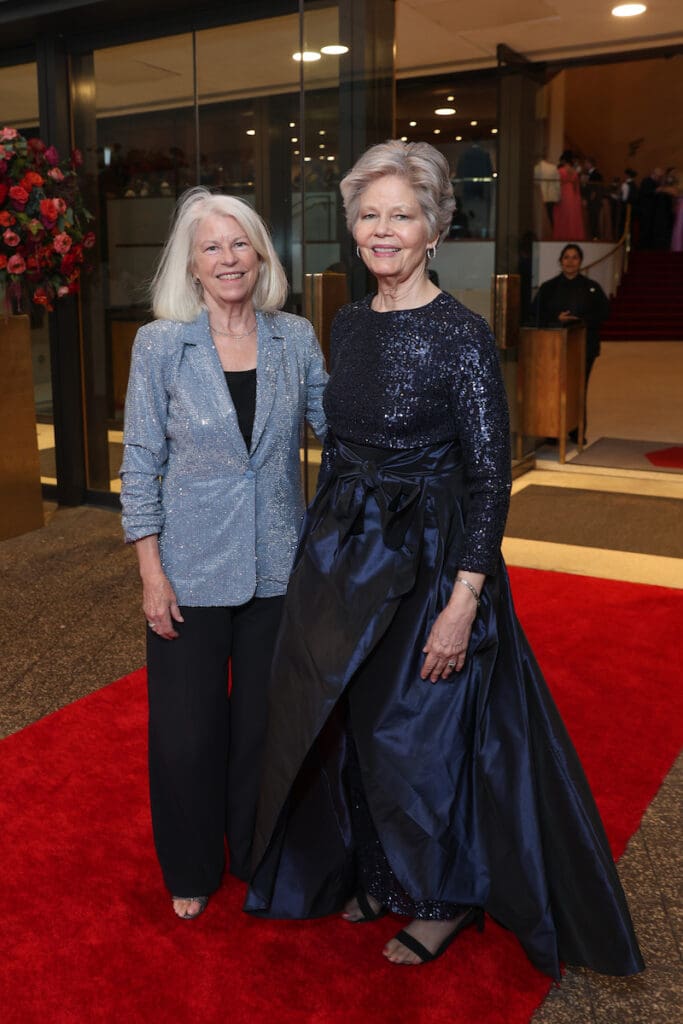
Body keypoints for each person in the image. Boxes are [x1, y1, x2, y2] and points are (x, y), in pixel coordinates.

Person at [245, 141, 643, 981]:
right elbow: (339, 433)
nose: (381, 230)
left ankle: (443, 897)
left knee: (413, 732)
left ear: (433, 230)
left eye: (401, 215)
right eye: (368, 214)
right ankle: (377, 871)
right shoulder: (347, 323)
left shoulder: (460, 335)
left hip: (428, 558)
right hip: (344, 549)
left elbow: (491, 476)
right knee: (345, 718)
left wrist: (463, 599)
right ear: (352, 228)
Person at [120, 187, 327, 921]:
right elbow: (140, 462)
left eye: (239, 243)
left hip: (277, 567)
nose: (228, 258)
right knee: (185, 735)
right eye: (211, 247)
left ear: (261, 254)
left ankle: (254, 848)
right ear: (192, 265)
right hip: (187, 571)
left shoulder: (294, 338)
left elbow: (337, 434)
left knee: (262, 730)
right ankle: (191, 863)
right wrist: (151, 573)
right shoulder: (159, 345)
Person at [530, 242, 610, 442]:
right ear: (560, 261)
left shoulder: (592, 288)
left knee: (578, 389)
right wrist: (557, 319)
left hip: (584, 347)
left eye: (575, 257)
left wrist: (580, 320)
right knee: (554, 389)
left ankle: (577, 430)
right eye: (567, 257)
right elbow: (534, 315)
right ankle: (553, 430)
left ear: (580, 262)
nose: (570, 261)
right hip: (553, 348)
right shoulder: (548, 288)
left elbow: (604, 313)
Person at [552, 150, 585, 241]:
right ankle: (573, 235)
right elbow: (576, 186)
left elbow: (556, 185)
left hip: (564, 193)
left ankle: (562, 235)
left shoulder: (560, 171)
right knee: (572, 217)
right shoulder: (574, 171)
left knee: (562, 216)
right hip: (572, 195)